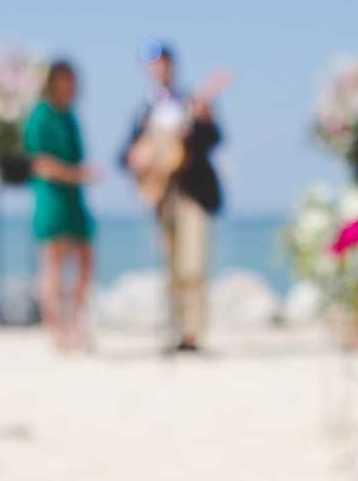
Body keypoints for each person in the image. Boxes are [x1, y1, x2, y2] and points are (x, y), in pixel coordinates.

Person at [123, 40, 230, 353]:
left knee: (192, 265)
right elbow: (126, 153)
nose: (158, 70)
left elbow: (214, 139)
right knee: (170, 265)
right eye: (152, 64)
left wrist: (202, 123)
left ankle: (193, 333)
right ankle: (175, 330)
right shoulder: (146, 109)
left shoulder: (191, 101)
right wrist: (137, 160)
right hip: (161, 195)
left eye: (163, 63)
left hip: (192, 192)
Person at [24, 60, 98, 352]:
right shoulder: (39, 116)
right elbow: (37, 162)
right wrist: (73, 174)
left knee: (84, 260)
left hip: (74, 196)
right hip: (51, 196)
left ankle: (75, 323)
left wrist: (78, 176)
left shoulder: (69, 114)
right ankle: (55, 330)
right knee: (52, 262)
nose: (73, 87)